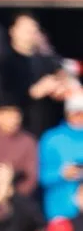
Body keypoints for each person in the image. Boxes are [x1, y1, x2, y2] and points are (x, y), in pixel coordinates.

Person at [39, 92, 83, 221]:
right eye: (76, 112)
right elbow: (41, 176)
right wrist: (62, 173)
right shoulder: (51, 139)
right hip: (61, 212)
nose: (80, 117)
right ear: (68, 113)